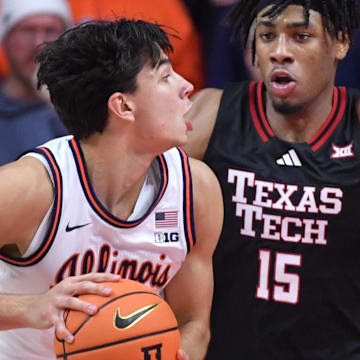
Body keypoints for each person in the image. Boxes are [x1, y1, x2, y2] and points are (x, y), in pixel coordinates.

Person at [0, 19, 223, 360]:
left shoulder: (196, 191)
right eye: (165, 77)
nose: (188, 86)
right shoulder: (32, 188)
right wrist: (28, 307)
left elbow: (193, 321)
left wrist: (180, 353)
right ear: (123, 106)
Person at [184, 0, 360, 359]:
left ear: (340, 43)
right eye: (267, 36)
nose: (281, 52)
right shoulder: (209, 116)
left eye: (301, 36)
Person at [0, 0, 71, 166]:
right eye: (28, 30)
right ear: (6, 39)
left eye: (50, 30)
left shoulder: (92, 108)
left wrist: (59, 102)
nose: (39, 43)